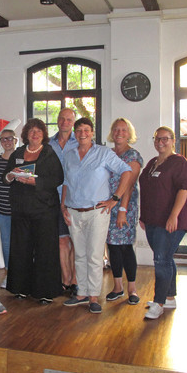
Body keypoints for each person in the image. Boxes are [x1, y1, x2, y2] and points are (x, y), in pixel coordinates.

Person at [61, 118, 132, 314]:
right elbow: (66, 182)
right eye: (79, 130)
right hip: (74, 211)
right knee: (80, 255)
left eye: (86, 130)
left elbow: (127, 171)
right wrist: (63, 206)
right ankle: (81, 293)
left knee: (93, 255)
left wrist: (115, 199)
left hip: (97, 212)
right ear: (75, 133)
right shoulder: (69, 155)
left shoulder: (104, 153)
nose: (82, 133)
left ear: (92, 133)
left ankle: (93, 296)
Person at [4, 118, 63, 304]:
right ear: (26, 135)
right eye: (31, 131)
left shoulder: (48, 152)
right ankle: (20, 288)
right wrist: (12, 175)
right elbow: (6, 177)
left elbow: (58, 178)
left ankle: (45, 291)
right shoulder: (18, 152)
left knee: (45, 250)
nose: (35, 134)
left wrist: (36, 182)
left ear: (44, 135)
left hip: (44, 209)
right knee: (20, 249)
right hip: (21, 209)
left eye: (38, 131)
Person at [140, 126, 187, 320]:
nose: (160, 142)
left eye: (165, 139)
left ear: (173, 140)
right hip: (152, 220)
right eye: (157, 139)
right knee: (165, 258)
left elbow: (183, 190)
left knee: (161, 260)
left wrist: (174, 216)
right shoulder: (153, 163)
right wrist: (144, 217)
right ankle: (169, 297)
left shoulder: (179, 163)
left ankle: (159, 302)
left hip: (170, 221)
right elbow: (148, 190)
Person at [104, 118, 143, 305]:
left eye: (124, 130)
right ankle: (117, 287)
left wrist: (122, 209)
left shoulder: (133, 155)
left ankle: (132, 289)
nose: (119, 133)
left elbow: (127, 185)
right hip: (108, 206)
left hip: (124, 206)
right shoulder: (108, 154)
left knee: (126, 246)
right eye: (116, 129)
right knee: (112, 246)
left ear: (129, 133)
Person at [48, 108, 79, 296]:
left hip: (74, 199)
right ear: (58, 121)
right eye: (62, 119)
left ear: (73, 122)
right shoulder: (49, 144)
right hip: (53, 199)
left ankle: (76, 280)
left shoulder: (81, 142)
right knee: (61, 242)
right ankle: (65, 279)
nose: (65, 122)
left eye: (69, 119)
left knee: (76, 242)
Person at [0, 129, 17, 289]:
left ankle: (24, 274)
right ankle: (10, 275)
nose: (7, 142)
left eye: (10, 138)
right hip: (3, 208)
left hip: (21, 208)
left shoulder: (23, 158)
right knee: (7, 243)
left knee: (22, 242)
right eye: (3, 139)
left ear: (15, 140)